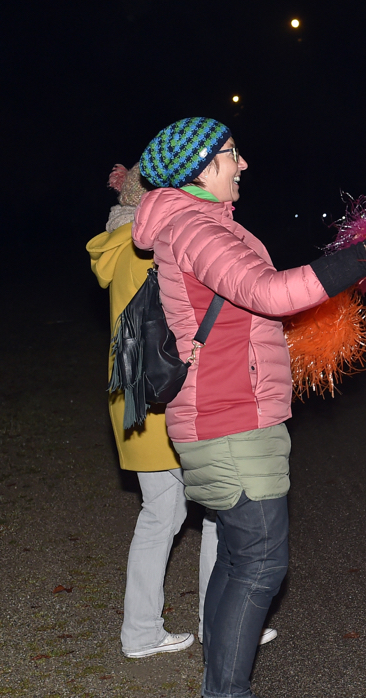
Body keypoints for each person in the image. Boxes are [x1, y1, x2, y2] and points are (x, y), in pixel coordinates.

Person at [132, 118, 366, 698]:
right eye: (232, 155)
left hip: (236, 415)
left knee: (241, 562)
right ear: (200, 168)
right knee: (261, 562)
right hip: (227, 421)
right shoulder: (198, 228)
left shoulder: (210, 225)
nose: (243, 163)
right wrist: (362, 259)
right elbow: (269, 293)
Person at [89, 165, 278, 658]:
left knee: (162, 515)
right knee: (220, 512)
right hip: (171, 395)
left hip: (134, 399)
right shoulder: (160, 243)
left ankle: (142, 630)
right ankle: (217, 623)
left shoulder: (118, 247)